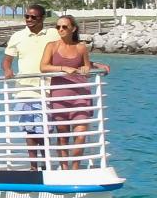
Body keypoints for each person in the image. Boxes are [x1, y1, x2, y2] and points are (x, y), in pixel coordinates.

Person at [40, 16, 111, 169]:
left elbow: (86, 67)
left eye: (64, 27)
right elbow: (43, 67)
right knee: (63, 136)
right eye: (58, 27)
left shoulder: (81, 47)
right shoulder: (51, 46)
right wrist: (63, 68)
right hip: (59, 96)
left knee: (80, 135)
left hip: (81, 95)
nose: (60, 30)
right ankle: (65, 169)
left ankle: (75, 167)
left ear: (73, 28)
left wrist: (88, 69)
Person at [1, 4, 60, 168]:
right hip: (24, 90)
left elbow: (69, 50)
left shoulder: (53, 34)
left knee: (45, 130)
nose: (29, 20)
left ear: (42, 18)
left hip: (47, 89)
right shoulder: (18, 36)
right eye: (27, 16)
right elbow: (7, 60)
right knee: (30, 130)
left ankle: (46, 163)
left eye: (33, 17)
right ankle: (34, 165)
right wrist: (7, 70)